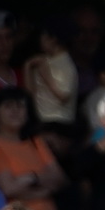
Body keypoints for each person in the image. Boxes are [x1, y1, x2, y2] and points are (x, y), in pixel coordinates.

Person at [0, 87, 65, 210]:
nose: (15, 111)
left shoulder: (36, 142)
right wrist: (40, 183)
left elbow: (59, 179)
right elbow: (8, 188)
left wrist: (28, 181)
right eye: (8, 106)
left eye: (20, 106)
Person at [22, 17, 78, 149]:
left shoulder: (65, 64)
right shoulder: (43, 61)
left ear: (52, 39)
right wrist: (27, 67)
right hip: (40, 120)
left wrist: (46, 75)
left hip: (59, 123)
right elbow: (30, 94)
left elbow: (63, 95)